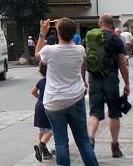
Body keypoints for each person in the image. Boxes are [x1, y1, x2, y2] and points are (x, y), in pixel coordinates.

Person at [35, 18, 98, 166]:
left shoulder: (49, 51)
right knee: (83, 141)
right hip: (76, 99)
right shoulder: (80, 50)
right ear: (74, 32)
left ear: (57, 33)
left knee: (61, 142)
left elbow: (37, 53)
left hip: (54, 102)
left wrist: (42, 34)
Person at [87, 14, 129, 159]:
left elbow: (84, 59)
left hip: (94, 78)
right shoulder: (116, 39)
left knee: (94, 113)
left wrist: (83, 80)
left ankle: (91, 139)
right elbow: (122, 63)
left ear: (100, 23)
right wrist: (127, 83)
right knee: (114, 113)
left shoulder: (91, 38)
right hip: (111, 79)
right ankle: (115, 146)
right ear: (112, 25)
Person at [32, 62, 54, 162]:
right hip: (48, 106)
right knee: (52, 128)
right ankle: (41, 144)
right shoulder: (52, 81)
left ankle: (42, 152)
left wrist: (40, 98)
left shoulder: (41, 81)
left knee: (42, 130)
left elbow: (33, 91)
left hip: (39, 105)